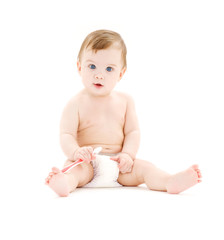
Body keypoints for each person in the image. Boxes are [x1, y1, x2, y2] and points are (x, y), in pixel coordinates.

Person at [45, 29, 202, 197]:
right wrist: (76, 152)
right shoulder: (75, 103)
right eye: (92, 66)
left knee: (146, 168)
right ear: (79, 67)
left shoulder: (126, 101)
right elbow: (66, 135)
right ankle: (65, 183)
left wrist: (127, 155)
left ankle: (168, 181)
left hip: (119, 165)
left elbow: (132, 132)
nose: (99, 75)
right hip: (87, 162)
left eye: (109, 69)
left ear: (121, 73)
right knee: (75, 171)